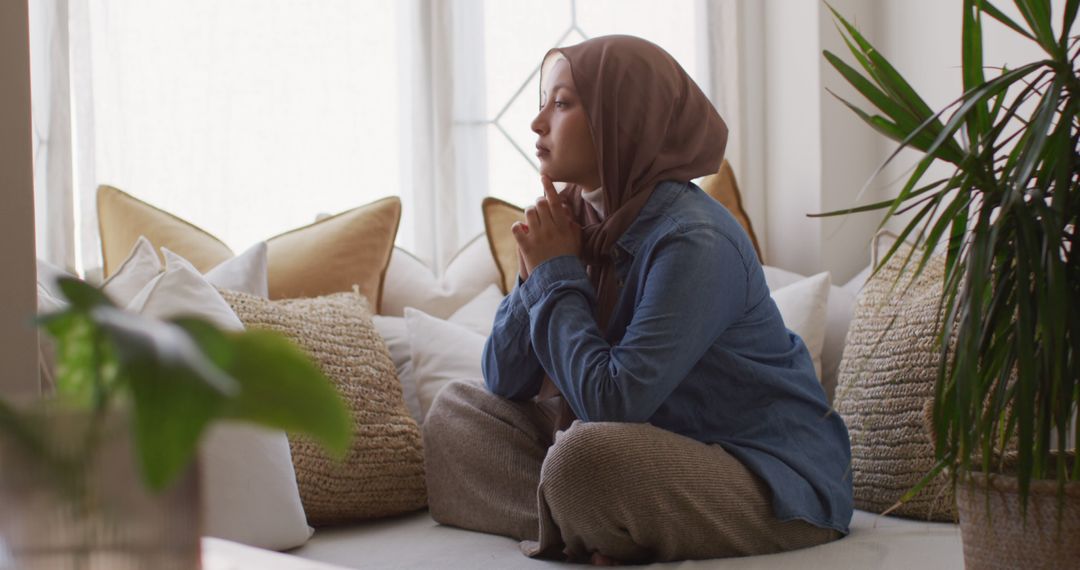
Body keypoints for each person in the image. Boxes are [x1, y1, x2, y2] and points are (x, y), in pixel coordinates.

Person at [423, 35, 852, 565]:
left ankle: (595, 512)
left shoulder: (694, 240)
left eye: (560, 104)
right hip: (643, 455)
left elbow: (613, 404)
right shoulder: (572, 221)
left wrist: (557, 273)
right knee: (452, 415)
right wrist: (539, 269)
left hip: (764, 475)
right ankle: (598, 523)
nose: (537, 124)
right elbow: (502, 379)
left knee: (586, 458)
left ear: (621, 119)